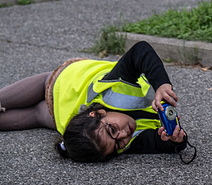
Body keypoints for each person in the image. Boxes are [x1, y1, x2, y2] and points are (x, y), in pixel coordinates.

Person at [0, 41, 187, 162]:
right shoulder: (111, 131)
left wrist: (162, 84)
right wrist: (175, 140)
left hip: (65, 96)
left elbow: (141, 51)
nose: (123, 136)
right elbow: (140, 51)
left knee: (39, 97)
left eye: (116, 144)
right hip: (62, 101)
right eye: (113, 134)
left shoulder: (111, 139)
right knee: (37, 113)